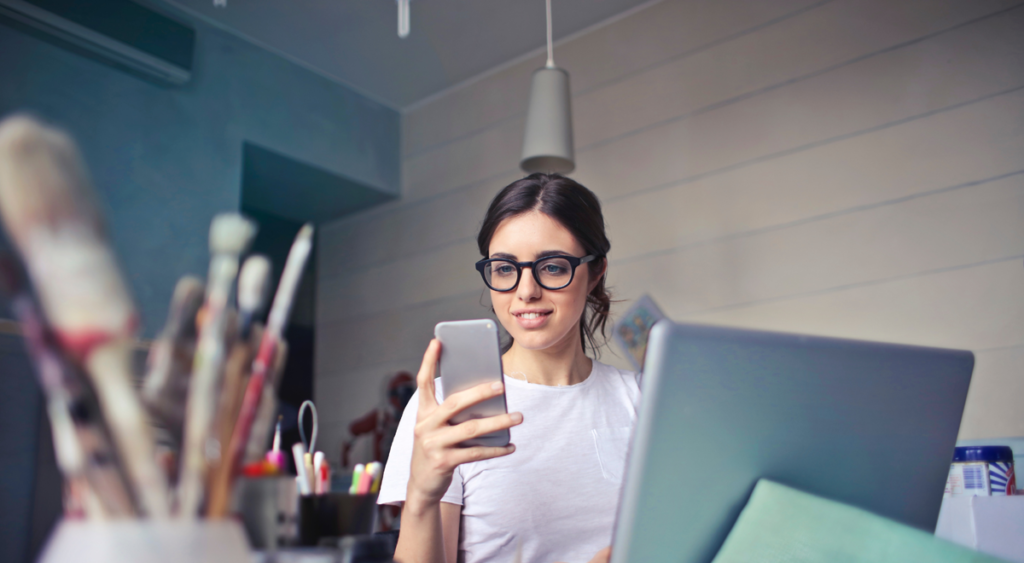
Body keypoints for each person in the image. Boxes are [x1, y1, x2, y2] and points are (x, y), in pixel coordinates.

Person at [378, 173, 641, 563]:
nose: (526, 291)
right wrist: (420, 496)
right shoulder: (447, 405)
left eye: (553, 267)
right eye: (504, 269)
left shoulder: (643, 399)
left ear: (595, 271)